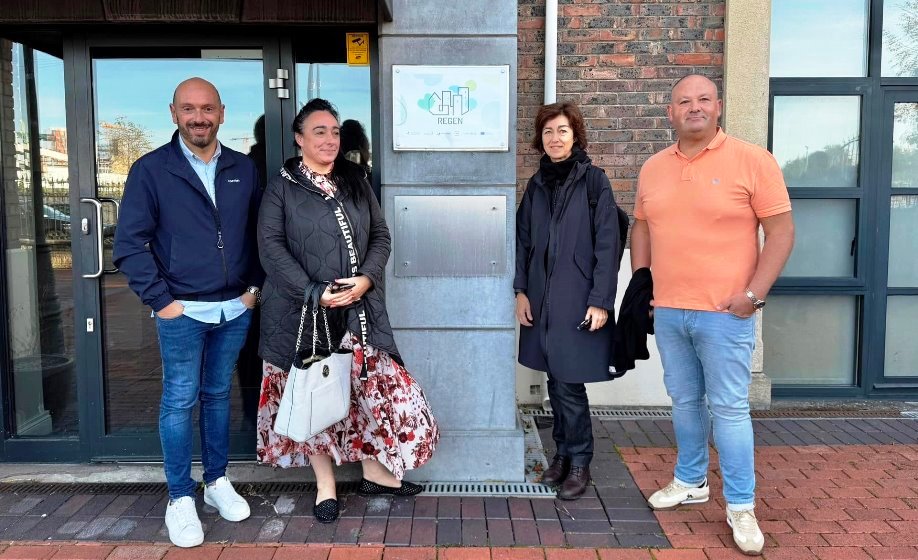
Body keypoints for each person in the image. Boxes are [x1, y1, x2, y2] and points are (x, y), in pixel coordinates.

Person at [631, 74, 794, 556]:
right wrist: (643, 284)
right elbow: (641, 227)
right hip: (671, 312)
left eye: (703, 99)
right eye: (684, 101)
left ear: (718, 107)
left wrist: (754, 295)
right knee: (683, 401)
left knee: (728, 408)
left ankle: (741, 505)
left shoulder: (753, 161)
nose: (694, 107)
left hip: (727, 313)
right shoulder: (653, 167)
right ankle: (690, 479)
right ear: (670, 113)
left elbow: (781, 234)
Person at [256, 98, 439, 524]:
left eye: (335, 132)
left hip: (360, 308)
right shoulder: (281, 185)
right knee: (318, 393)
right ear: (299, 138)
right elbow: (270, 247)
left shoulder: (355, 180)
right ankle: (326, 485)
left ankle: (375, 472)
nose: (330, 140)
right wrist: (313, 291)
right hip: (303, 313)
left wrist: (367, 279)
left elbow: (381, 236)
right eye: (319, 131)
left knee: (367, 392)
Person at [113, 77, 263, 548]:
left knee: (218, 395)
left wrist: (253, 290)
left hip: (234, 308)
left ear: (222, 113)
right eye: (188, 109)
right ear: (173, 113)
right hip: (182, 310)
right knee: (180, 400)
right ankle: (180, 496)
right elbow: (128, 245)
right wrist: (164, 302)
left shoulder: (244, 168)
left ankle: (216, 482)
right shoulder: (151, 169)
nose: (199, 117)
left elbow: (264, 232)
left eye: (207, 109)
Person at [514, 101, 620, 500]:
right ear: (540, 140)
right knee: (555, 381)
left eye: (562, 131)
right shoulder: (537, 185)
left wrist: (600, 300)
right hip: (541, 300)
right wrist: (521, 290)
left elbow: (607, 246)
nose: (554, 139)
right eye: (548, 132)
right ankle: (561, 454)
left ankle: (579, 462)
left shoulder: (594, 182)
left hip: (578, 299)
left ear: (575, 135)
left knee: (570, 384)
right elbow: (523, 241)